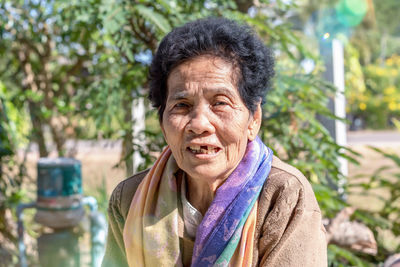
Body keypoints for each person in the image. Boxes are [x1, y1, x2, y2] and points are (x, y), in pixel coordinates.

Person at [102, 17, 327, 267]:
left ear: (254, 119)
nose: (199, 123)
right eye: (181, 105)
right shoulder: (130, 200)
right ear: (163, 125)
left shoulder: (282, 196)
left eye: (220, 103)